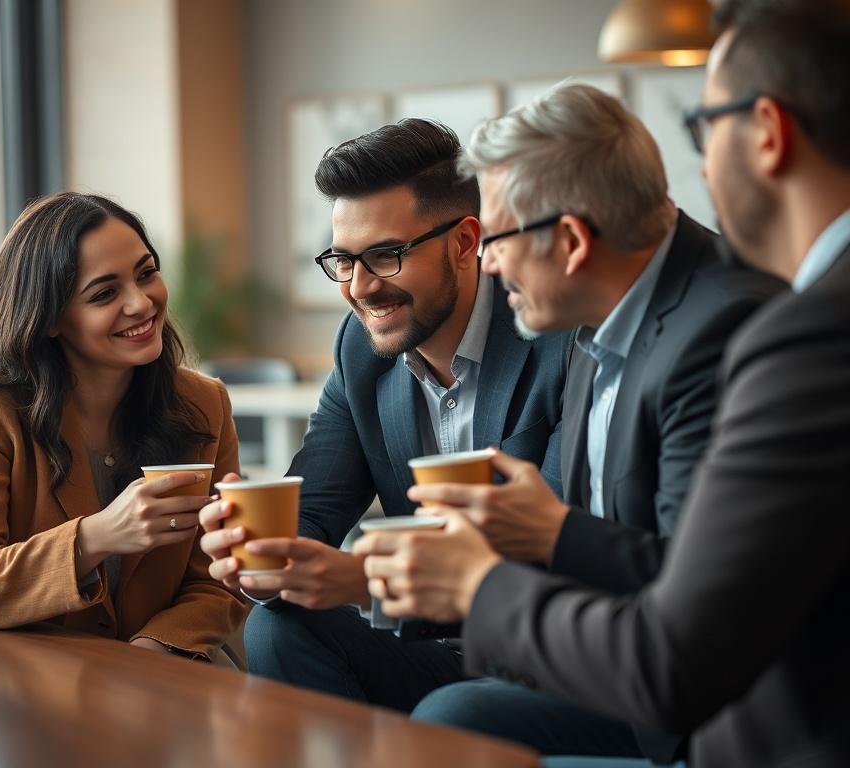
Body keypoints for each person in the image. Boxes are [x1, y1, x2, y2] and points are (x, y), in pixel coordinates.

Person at [355, 1, 850, 765]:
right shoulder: (589, 329)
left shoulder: (772, 329)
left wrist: (485, 580)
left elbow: (684, 636)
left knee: (451, 716)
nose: (483, 263)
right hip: (656, 679)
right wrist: (539, 529)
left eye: (702, 125)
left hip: (734, 724)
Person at [403, 84, 781, 763]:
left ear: (572, 241)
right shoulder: (595, 316)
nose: (484, 263)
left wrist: (550, 531)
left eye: (495, 239)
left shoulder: (725, 327)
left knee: (450, 725)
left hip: (718, 717)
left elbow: (706, 596)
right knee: (446, 711)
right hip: (615, 666)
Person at [199, 118, 573, 710]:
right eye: (343, 261)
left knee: (456, 709)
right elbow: (316, 507)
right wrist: (265, 556)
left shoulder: (552, 337)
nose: (360, 288)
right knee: (280, 626)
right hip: (428, 648)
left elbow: (559, 548)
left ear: (464, 241)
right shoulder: (360, 352)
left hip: (543, 650)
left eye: (385, 255)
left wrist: (363, 581)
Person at [0, 192, 247, 663]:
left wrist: (152, 653)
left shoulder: (203, 403)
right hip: (30, 680)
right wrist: (96, 537)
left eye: (146, 273)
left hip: (168, 671)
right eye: (104, 293)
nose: (141, 302)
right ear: (49, 319)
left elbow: (215, 577)